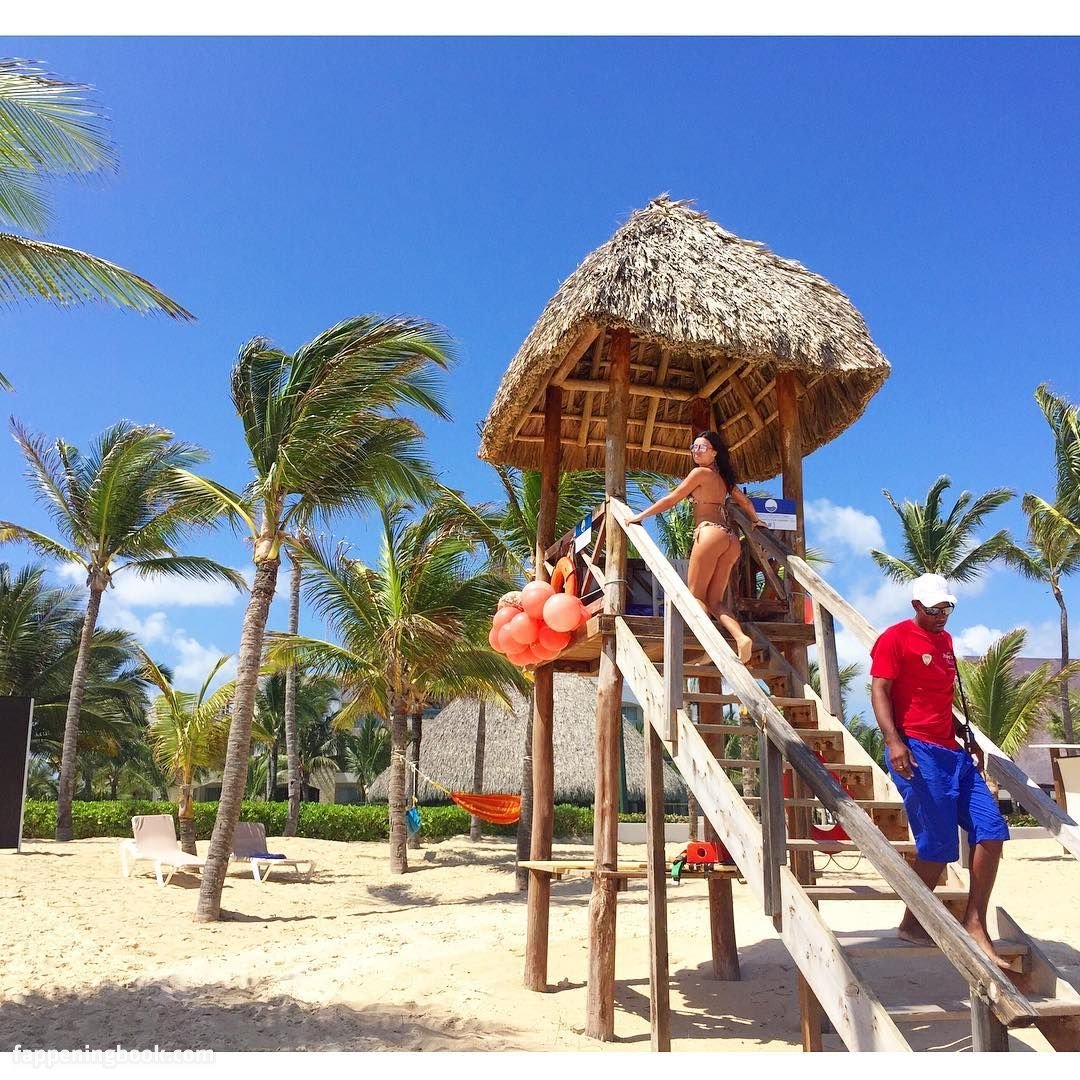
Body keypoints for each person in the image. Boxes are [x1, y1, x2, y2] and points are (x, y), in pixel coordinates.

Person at [869, 573, 1010, 968]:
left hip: (953, 751)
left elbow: (941, 698)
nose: (941, 615)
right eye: (933, 609)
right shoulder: (894, 639)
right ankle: (912, 923)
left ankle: (975, 922)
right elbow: (879, 690)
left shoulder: (946, 642)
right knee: (939, 845)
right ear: (917, 606)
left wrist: (967, 735)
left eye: (947, 608)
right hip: (916, 751)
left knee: (992, 830)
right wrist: (894, 741)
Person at [626, 430, 764, 663]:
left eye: (702, 447)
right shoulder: (724, 479)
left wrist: (641, 516)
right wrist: (756, 520)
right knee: (715, 601)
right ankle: (741, 638)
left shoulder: (699, 473)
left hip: (709, 534)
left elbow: (671, 499)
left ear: (714, 453)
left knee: (695, 597)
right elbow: (746, 502)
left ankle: (709, 646)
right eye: (694, 447)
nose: (696, 451)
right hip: (730, 540)